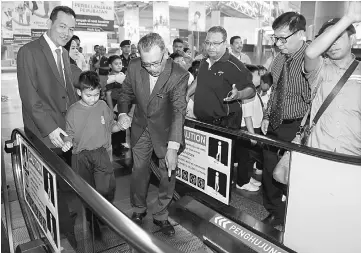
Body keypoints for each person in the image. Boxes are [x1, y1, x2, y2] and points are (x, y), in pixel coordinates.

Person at [16, 5, 78, 248]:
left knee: (61, 183)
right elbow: (30, 97)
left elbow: (69, 93)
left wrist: (75, 125)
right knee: (47, 184)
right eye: (62, 26)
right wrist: (51, 129)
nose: (66, 32)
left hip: (64, 132)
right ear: (50, 24)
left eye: (71, 29)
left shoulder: (63, 53)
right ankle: (60, 236)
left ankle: (64, 226)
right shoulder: (29, 51)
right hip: (44, 132)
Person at [117, 33, 189, 236]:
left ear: (165, 53)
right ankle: (139, 209)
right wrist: (122, 113)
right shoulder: (134, 66)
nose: (152, 68)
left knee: (167, 173)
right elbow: (125, 93)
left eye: (156, 63)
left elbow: (178, 111)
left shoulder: (178, 74)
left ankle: (161, 215)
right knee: (139, 170)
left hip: (167, 132)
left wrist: (173, 147)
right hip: (140, 127)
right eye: (147, 64)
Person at [260, 12, 311, 227]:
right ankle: (275, 212)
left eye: (283, 38)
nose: (279, 43)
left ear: (301, 34)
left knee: (293, 174)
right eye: (275, 38)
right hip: (274, 121)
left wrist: (303, 132)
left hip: (296, 125)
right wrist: (266, 115)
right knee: (270, 170)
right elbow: (274, 90)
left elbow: (313, 101)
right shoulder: (280, 57)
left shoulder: (312, 61)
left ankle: (296, 215)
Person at [62, 71, 123, 239]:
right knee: (87, 192)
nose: (93, 99)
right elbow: (69, 133)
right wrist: (67, 141)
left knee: (106, 188)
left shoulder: (102, 106)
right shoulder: (73, 111)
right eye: (89, 95)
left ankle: (102, 212)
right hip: (80, 156)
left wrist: (121, 125)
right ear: (79, 92)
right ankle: (92, 219)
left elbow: (111, 127)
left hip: (101, 153)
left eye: (97, 94)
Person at [304, 2, 361, 156]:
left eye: (338, 36)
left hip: (353, 158)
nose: (332, 44)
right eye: (329, 39)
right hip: (318, 153)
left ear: (352, 39)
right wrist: (348, 18)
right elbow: (310, 53)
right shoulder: (320, 68)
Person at [188, 26, 256, 128]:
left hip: (224, 124)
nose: (210, 47)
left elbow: (251, 90)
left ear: (225, 43)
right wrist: (187, 94)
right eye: (208, 43)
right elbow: (200, 79)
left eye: (215, 43)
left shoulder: (234, 65)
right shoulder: (204, 61)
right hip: (202, 121)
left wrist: (239, 95)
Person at [236, 65, 264, 192]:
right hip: (248, 129)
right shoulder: (248, 94)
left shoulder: (254, 91)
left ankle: (247, 177)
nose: (260, 76)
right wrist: (252, 135)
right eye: (258, 74)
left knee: (250, 157)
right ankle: (242, 182)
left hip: (253, 128)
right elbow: (247, 117)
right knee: (245, 158)